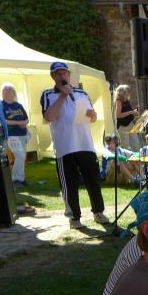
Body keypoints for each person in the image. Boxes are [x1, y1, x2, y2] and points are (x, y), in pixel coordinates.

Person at [41, 61, 108, 229]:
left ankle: (98, 212)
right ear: (53, 76)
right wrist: (63, 96)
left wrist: (93, 115)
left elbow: (92, 117)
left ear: (69, 75)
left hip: (85, 144)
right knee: (69, 184)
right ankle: (74, 217)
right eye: (58, 73)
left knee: (93, 180)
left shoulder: (82, 93)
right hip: (65, 146)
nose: (62, 76)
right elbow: (49, 117)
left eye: (64, 73)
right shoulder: (48, 94)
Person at [0, 83, 30, 187]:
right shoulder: (0, 105)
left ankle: (21, 178)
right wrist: (18, 123)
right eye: (5, 89)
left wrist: (24, 123)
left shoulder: (18, 105)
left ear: (14, 92)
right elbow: (4, 121)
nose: (7, 91)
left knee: (21, 157)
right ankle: (15, 179)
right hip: (11, 135)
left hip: (22, 134)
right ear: (2, 92)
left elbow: (26, 119)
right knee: (20, 155)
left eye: (10, 89)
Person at [114, 84, 139, 151]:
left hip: (131, 124)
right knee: (125, 146)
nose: (129, 93)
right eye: (128, 92)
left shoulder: (126, 100)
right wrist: (131, 112)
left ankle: (135, 157)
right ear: (122, 92)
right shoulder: (118, 101)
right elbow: (118, 115)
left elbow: (128, 111)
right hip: (123, 126)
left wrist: (134, 112)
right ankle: (125, 158)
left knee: (136, 144)